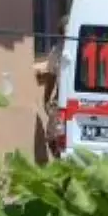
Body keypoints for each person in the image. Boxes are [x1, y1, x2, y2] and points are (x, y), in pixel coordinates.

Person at [34, 16, 68, 164]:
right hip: (61, 96)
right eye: (64, 32)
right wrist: (46, 98)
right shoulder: (57, 51)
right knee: (53, 136)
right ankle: (60, 161)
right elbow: (51, 76)